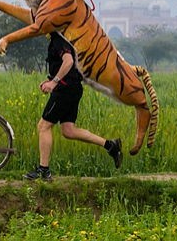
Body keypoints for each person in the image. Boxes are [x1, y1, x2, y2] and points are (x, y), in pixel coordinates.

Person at [24, 31, 123, 181]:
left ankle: (44, 171)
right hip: (73, 88)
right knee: (68, 131)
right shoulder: (62, 39)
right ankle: (111, 146)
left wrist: (54, 82)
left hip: (65, 90)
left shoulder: (59, 40)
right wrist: (49, 80)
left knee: (43, 126)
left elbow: (68, 61)